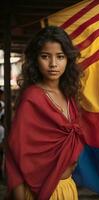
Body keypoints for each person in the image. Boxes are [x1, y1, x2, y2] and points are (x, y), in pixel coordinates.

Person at [6, 25, 84, 200]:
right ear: (35, 59)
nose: (53, 64)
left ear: (68, 60)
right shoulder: (32, 98)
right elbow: (15, 154)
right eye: (45, 56)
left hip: (67, 188)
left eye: (60, 57)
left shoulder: (68, 95)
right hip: (39, 192)